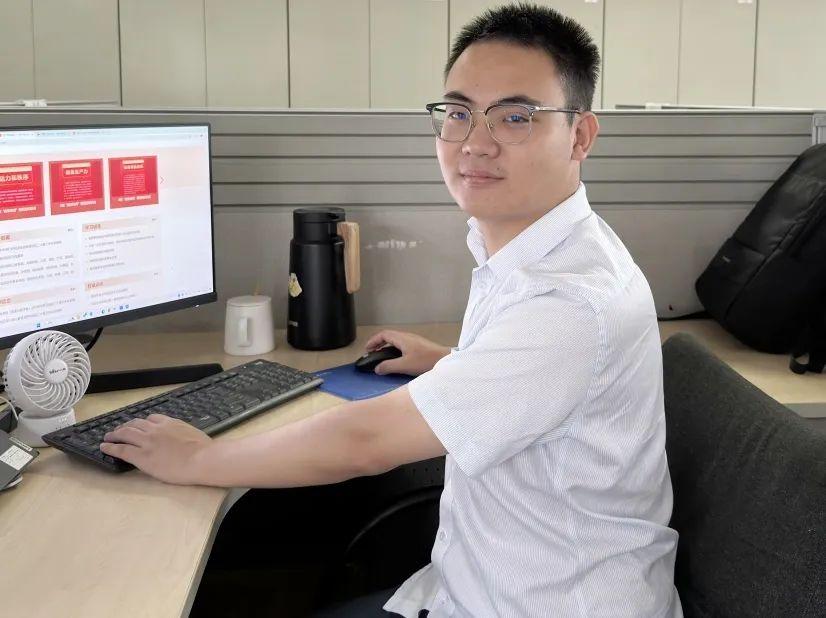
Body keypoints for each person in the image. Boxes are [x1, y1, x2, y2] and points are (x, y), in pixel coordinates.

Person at [101, 4, 682, 617]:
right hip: (484, 583)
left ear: (580, 136)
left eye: (515, 117)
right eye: (458, 113)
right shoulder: (543, 250)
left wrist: (197, 457)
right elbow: (547, 379)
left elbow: (365, 441)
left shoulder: (568, 300)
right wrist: (454, 363)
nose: (475, 143)